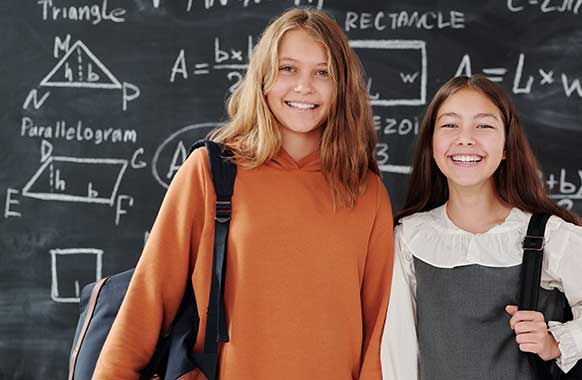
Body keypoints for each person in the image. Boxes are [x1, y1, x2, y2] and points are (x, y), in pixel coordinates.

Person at [95, 8, 394, 380]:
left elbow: (379, 334)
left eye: (323, 72)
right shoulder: (211, 172)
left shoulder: (366, 193)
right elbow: (148, 298)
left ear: (342, 86)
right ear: (264, 78)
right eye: (288, 69)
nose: (304, 86)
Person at [380, 74, 582, 380]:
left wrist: (556, 341)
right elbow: (397, 351)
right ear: (431, 143)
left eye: (484, 125)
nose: (465, 138)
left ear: (507, 146)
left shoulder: (549, 236)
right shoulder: (409, 238)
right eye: (450, 125)